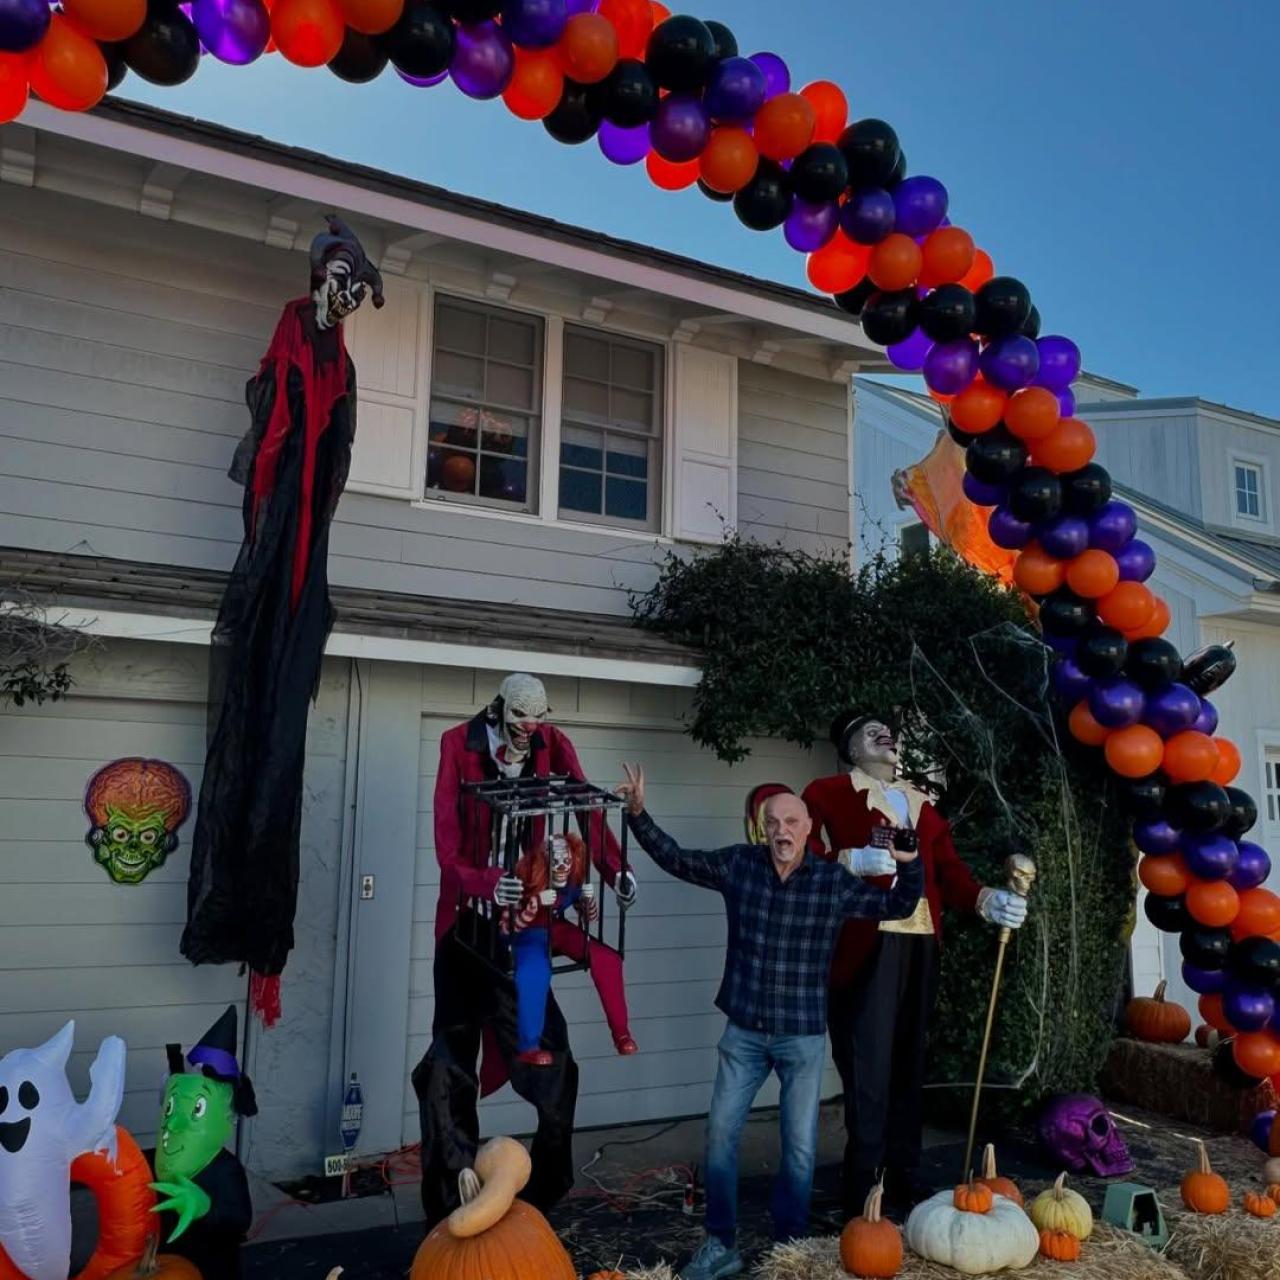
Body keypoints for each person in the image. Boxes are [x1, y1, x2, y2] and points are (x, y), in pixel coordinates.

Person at [616, 762, 923, 1280]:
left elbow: (897, 902)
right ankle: (721, 1244)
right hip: (744, 1033)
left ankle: (790, 1250)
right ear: (763, 829)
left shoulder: (831, 882)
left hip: (801, 1036)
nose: (783, 831)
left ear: (808, 830)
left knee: (800, 1150)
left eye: (793, 822)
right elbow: (677, 860)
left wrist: (907, 863)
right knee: (719, 1136)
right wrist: (639, 815)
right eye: (774, 822)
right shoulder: (740, 865)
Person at [412, 673, 637, 1227]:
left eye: (538, 719)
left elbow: (586, 811)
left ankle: (539, 1198)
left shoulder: (553, 744)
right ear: (500, 711)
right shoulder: (455, 746)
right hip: (467, 930)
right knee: (449, 1069)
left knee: (556, 1063)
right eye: (520, 720)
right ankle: (450, 1202)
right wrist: (487, 880)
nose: (530, 731)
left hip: (525, 928)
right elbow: (446, 847)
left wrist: (615, 870)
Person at [802, 713, 1028, 1218]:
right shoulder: (829, 792)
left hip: (922, 943)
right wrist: (848, 859)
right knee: (868, 1069)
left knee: (908, 1066)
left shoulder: (922, 805)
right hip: (868, 942)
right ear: (849, 748)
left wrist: (987, 899)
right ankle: (863, 1189)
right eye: (869, 731)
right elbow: (804, 853)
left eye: (889, 730)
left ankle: (904, 1182)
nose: (885, 736)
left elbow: (951, 872)